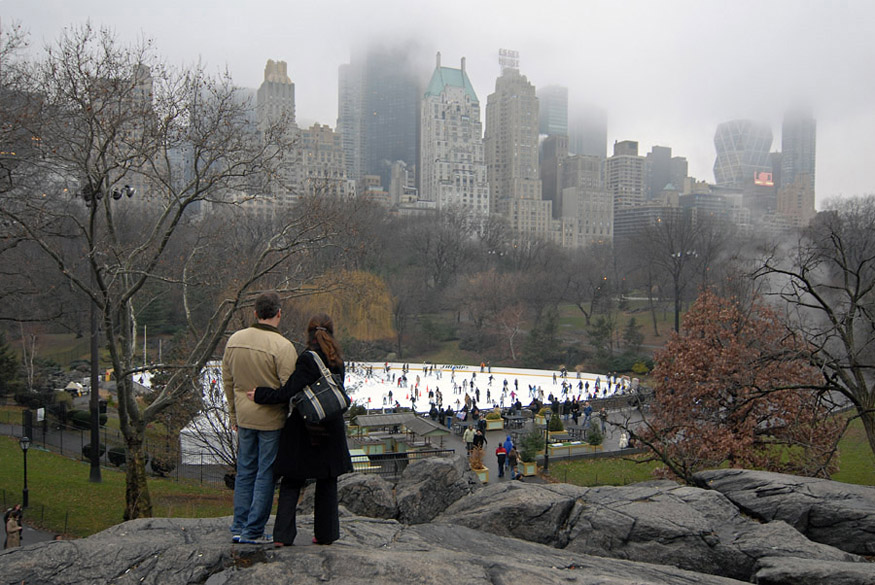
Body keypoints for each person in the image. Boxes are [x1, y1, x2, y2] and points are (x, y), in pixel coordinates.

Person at [249, 313, 353, 547]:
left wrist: (259, 394)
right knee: (327, 482)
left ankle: (283, 536)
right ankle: (326, 534)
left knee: (292, 481)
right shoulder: (337, 360)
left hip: (305, 429)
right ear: (331, 332)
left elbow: (288, 392)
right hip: (331, 427)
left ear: (308, 334)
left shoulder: (308, 359)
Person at [222, 292, 297, 545]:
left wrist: (233, 413)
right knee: (265, 473)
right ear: (279, 313)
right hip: (271, 420)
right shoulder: (283, 347)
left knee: (245, 471)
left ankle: (239, 524)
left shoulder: (235, 340)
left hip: (244, 416)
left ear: (255, 313)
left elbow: (228, 381)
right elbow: (289, 389)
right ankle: (253, 530)